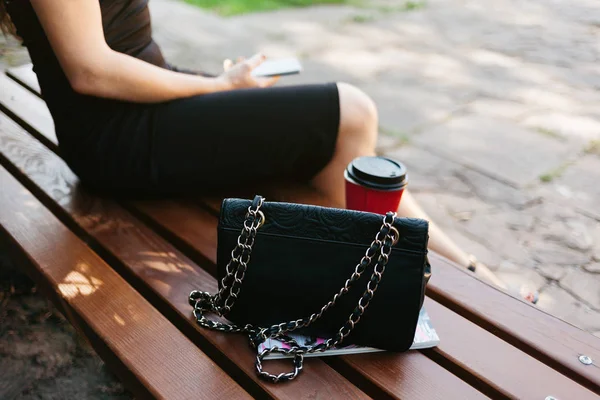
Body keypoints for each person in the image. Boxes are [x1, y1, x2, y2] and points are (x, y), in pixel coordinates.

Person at [0, 0, 504, 286]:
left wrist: (216, 84)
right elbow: (92, 70)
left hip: (133, 117)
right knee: (350, 112)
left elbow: (124, 44)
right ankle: (447, 276)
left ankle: (453, 270)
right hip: (120, 140)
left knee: (330, 143)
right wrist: (215, 90)